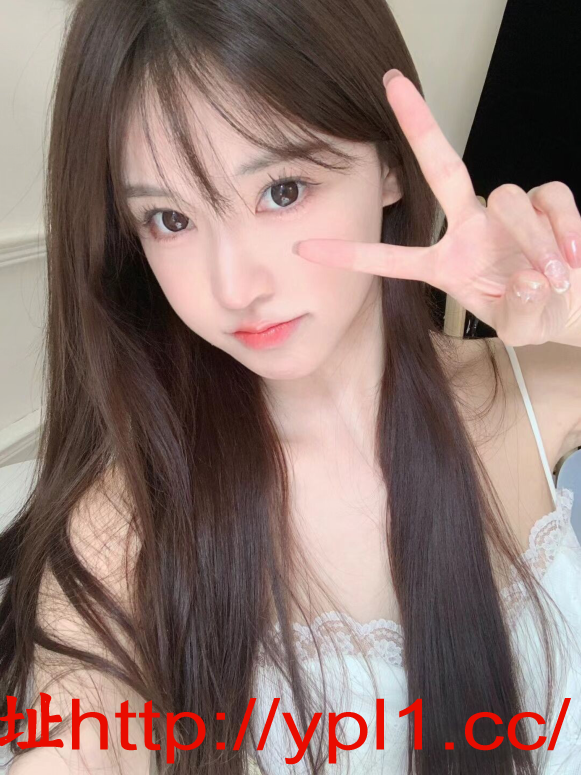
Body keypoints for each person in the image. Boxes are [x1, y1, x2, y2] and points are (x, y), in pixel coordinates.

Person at [1, 0, 581, 773]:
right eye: (169, 218)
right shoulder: (123, 528)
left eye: (281, 190)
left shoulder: (534, 394)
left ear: (388, 165)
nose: (234, 287)